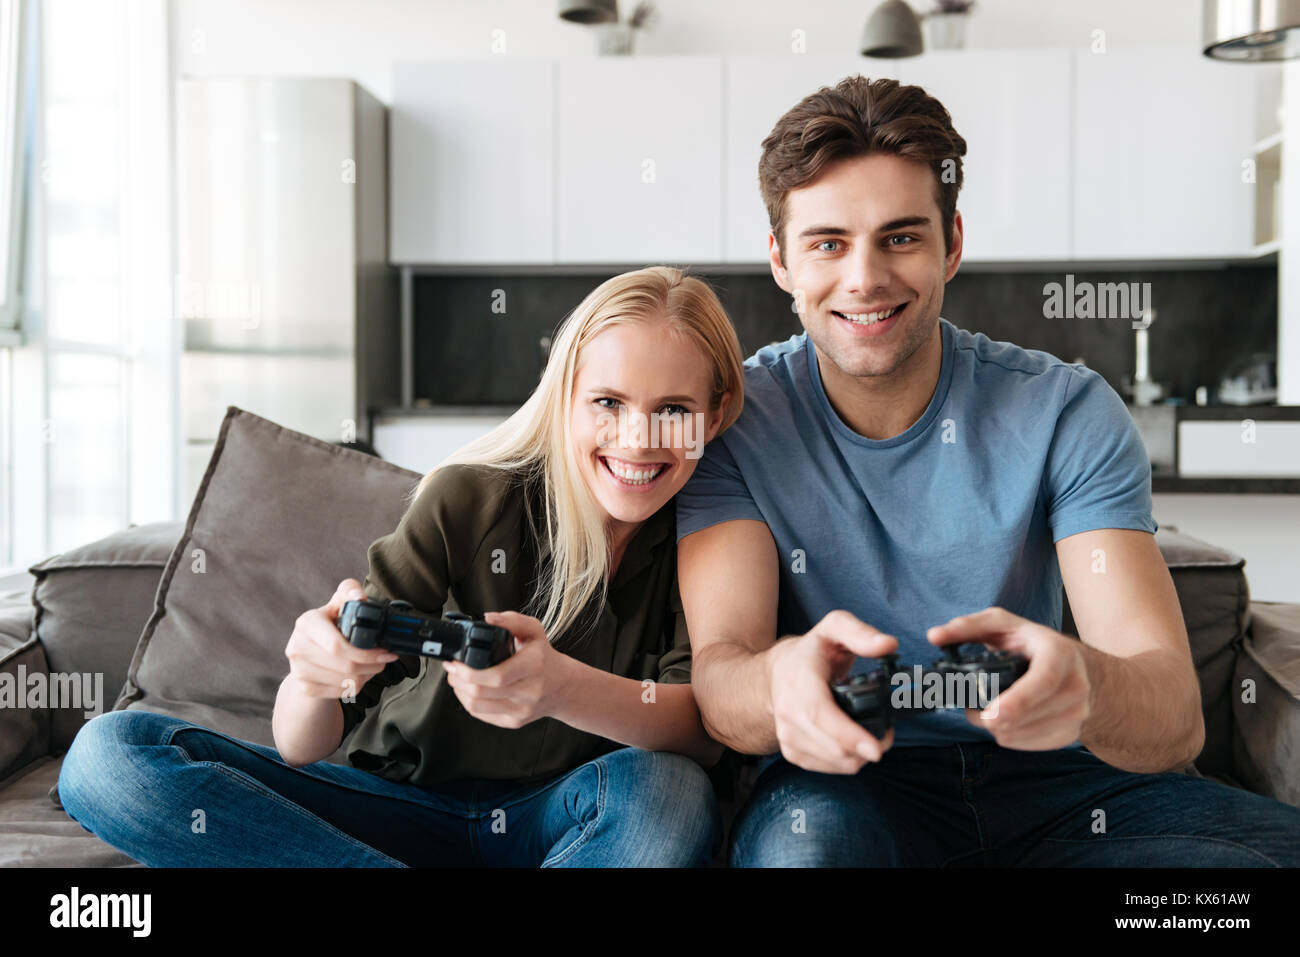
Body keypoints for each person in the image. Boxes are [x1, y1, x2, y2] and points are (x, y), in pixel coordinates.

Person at [674, 76, 1300, 867]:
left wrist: (1086, 683)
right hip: (848, 786)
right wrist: (779, 683)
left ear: (952, 244)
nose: (864, 278)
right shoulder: (735, 420)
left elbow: (1173, 714)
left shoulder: (1065, 411)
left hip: (1062, 781)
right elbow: (722, 676)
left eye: (900, 237)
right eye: (828, 242)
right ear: (781, 261)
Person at [57, 265, 744, 867]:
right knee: (107, 757)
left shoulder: (710, 533)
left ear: (716, 415)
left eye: (674, 410)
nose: (637, 438)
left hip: (564, 820)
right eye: (608, 402)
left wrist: (559, 687)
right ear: (565, 396)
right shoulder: (470, 497)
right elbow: (303, 745)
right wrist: (311, 676)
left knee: (672, 794)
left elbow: (704, 732)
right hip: (395, 806)